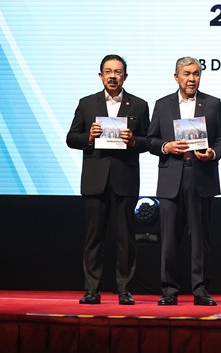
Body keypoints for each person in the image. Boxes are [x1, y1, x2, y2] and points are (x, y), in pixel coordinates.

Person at [66, 54, 150, 305]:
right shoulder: (86, 103)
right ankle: (92, 289)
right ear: (100, 75)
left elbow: (149, 141)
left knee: (126, 238)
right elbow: (72, 138)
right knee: (94, 238)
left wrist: (134, 141)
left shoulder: (139, 105)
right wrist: (88, 138)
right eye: (108, 71)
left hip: (124, 179)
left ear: (125, 75)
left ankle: (124, 289)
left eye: (118, 71)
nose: (113, 75)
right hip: (95, 180)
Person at [147, 56, 221, 306]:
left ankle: (200, 289)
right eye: (186, 74)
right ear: (176, 77)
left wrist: (213, 153)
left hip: (200, 178)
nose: (192, 78)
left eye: (196, 73)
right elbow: (150, 141)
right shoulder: (162, 105)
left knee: (200, 239)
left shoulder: (212, 104)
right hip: (171, 178)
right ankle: (169, 290)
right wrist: (166, 146)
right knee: (170, 239)